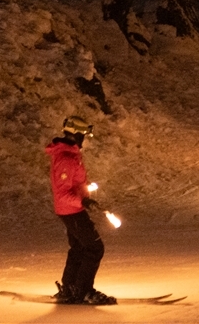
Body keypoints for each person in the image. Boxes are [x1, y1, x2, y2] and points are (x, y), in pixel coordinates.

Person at [46, 116, 117, 305]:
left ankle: (70, 289)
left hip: (71, 209)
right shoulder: (66, 158)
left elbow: (73, 184)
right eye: (84, 135)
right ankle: (84, 291)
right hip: (71, 210)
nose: (85, 139)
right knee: (94, 248)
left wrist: (87, 193)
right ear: (76, 134)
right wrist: (83, 201)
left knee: (78, 247)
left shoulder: (70, 155)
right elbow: (62, 193)